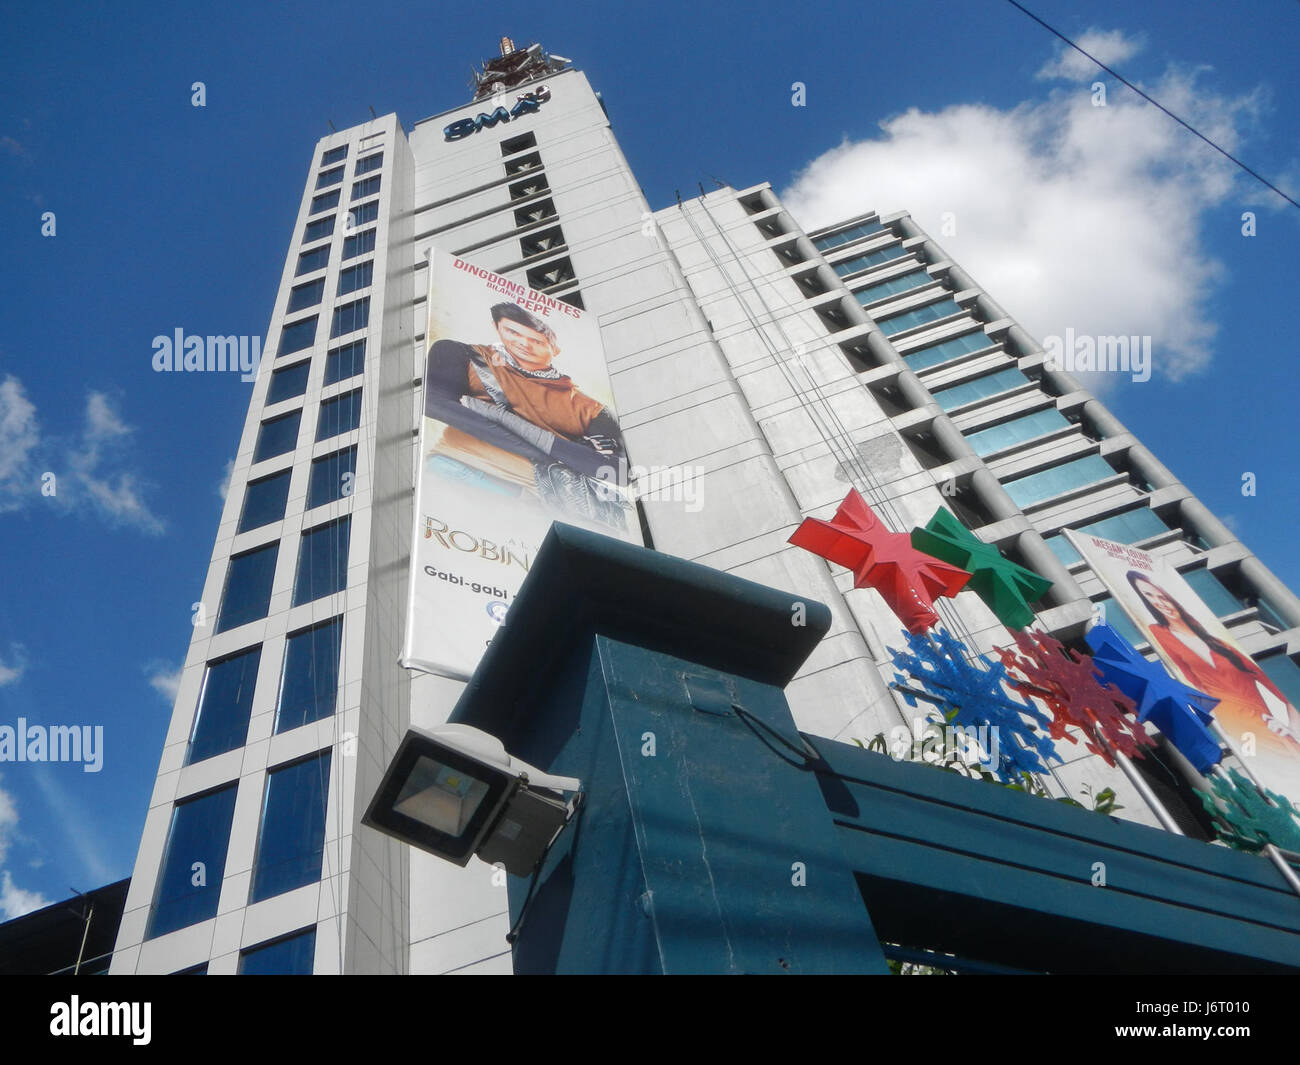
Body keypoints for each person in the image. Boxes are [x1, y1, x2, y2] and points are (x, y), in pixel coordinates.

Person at [423, 302, 628, 525]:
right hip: (460, 469)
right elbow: (436, 404)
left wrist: (500, 418)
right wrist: (569, 449)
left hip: (547, 503)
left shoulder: (589, 407)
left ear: (555, 349)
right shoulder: (464, 354)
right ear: (496, 327)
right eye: (512, 332)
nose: (523, 344)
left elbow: (618, 472)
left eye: (537, 341)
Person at [1126, 570, 1300, 756]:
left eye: (1162, 595)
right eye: (1149, 596)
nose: (1159, 602)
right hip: (1234, 730)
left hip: (1268, 730)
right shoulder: (1160, 633)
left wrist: (1292, 729)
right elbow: (1194, 686)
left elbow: (1282, 695)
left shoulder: (1223, 646)